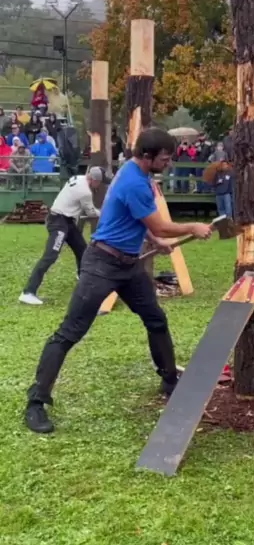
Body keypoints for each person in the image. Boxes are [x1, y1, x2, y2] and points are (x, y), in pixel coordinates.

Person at [24, 128, 212, 434]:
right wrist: (193, 227)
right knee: (69, 332)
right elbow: (161, 226)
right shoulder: (134, 181)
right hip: (102, 264)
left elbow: (139, 218)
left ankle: (169, 380)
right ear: (148, 156)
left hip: (129, 266)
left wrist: (153, 240)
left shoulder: (137, 173)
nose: (169, 163)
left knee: (156, 319)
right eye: (165, 158)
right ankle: (36, 403)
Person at [19, 167, 104, 306]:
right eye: (99, 182)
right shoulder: (85, 192)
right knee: (50, 256)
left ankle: (82, 276)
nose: (99, 185)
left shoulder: (78, 178)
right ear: (94, 180)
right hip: (59, 222)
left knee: (82, 249)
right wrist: (104, 212)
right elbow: (91, 213)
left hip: (66, 220)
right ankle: (28, 292)